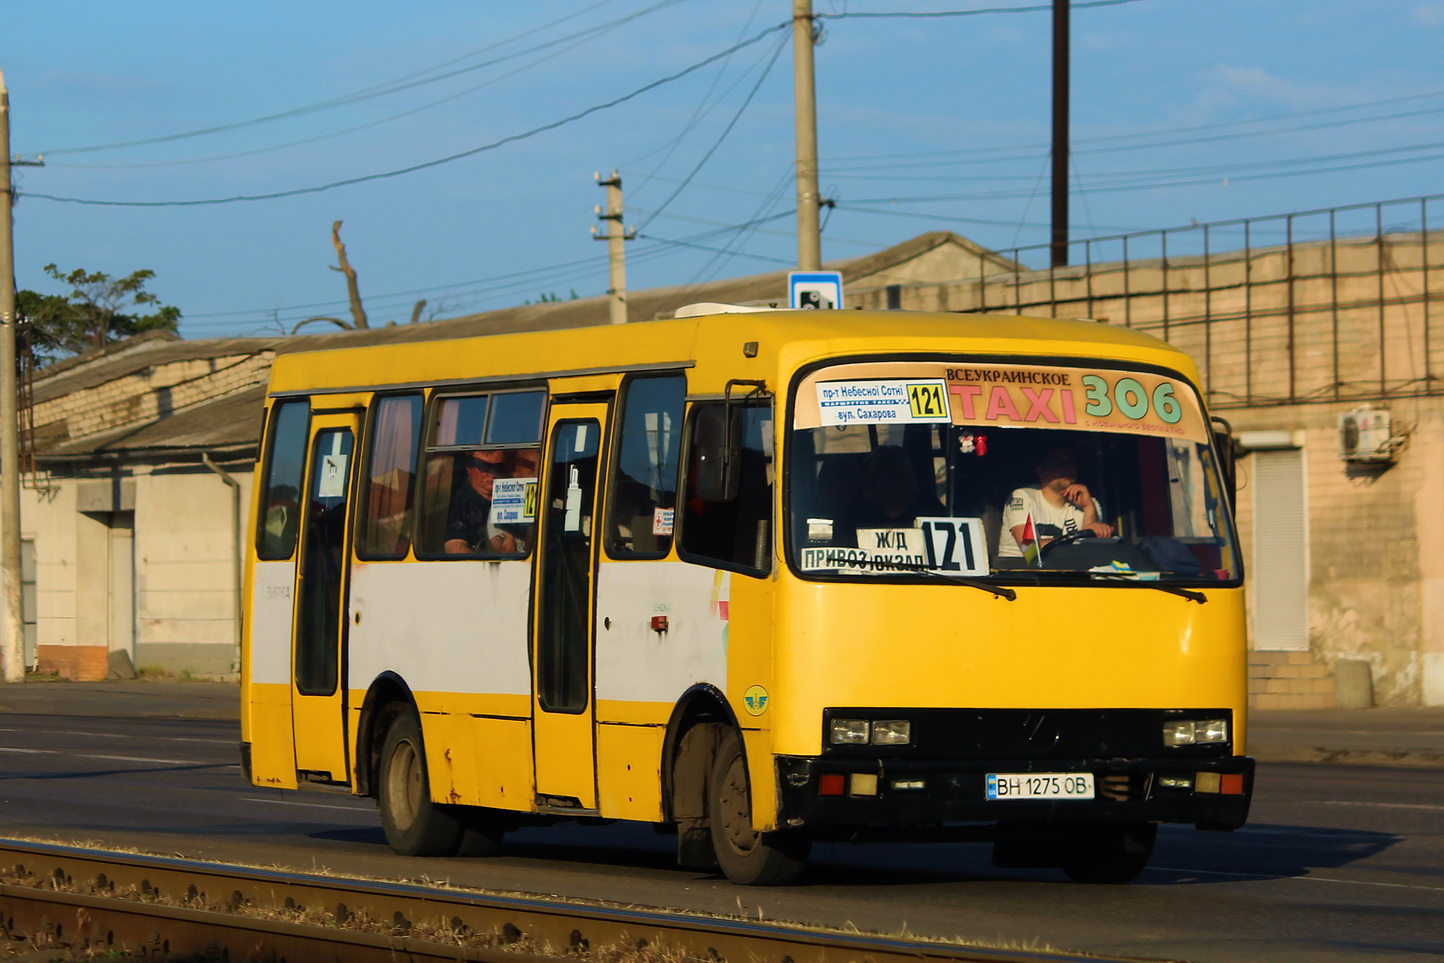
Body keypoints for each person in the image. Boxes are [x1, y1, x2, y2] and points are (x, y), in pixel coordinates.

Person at [998, 444, 1114, 559]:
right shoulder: (1022, 496)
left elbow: (1091, 552)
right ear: (1040, 471)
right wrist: (1075, 542)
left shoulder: (1089, 502)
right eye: (1057, 463)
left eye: (1070, 462)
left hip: (1072, 573)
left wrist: (1088, 507)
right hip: (1021, 573)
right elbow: (1029, 548)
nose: (1067, 468)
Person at [443, 448, 506, 554]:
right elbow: (454, 548)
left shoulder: (512, 497)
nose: (491, 474)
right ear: (469, 468)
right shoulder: (462, 504)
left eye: (497, 467)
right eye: (484, 467)